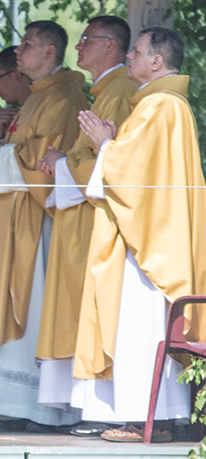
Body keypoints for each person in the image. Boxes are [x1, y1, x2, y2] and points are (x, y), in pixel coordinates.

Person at [74, 27, 205, 442]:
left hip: (148, 245)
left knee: (140, 325)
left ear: (157, 61)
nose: (129, 55)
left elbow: (132, 176)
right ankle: (153, 417)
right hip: (151, 232)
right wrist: (113, 145)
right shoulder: (164, 104)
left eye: (137, 51)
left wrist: (106, 145)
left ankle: (144, 417)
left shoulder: (159, 107)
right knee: (141, 326)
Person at [0, 20, 87, 426]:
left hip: (34, 222)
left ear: (50, 51)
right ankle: (2, 401)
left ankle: (31, 404)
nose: (18, 51)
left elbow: (53, 156)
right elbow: (23, 150)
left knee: (30, 301)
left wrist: (6, 153)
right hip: (9, 216)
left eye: (27, 44)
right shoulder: (37, 96)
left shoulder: (66, 95)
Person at [35, 16, 137, 419]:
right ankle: (83, 406)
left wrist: (62, 162)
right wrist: (65, 162)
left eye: (86, 41)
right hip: (80, 213)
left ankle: (100, 408)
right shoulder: (105, 92)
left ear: (110, 46)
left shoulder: (121, 92)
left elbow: (112, 159)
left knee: (94, 311)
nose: (77, 48)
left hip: (98, 218)